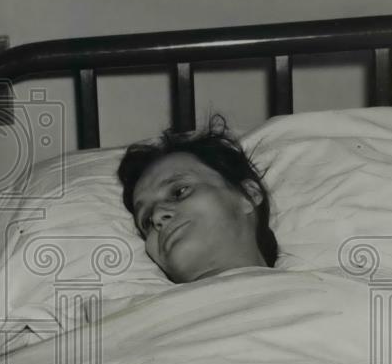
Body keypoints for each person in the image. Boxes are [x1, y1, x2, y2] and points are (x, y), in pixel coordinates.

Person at [116, 116, 279, 284]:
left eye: (179, 192)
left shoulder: (305, 293)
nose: (157, 216)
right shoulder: (118, 309)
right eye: (146, 221)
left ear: (249, 194)